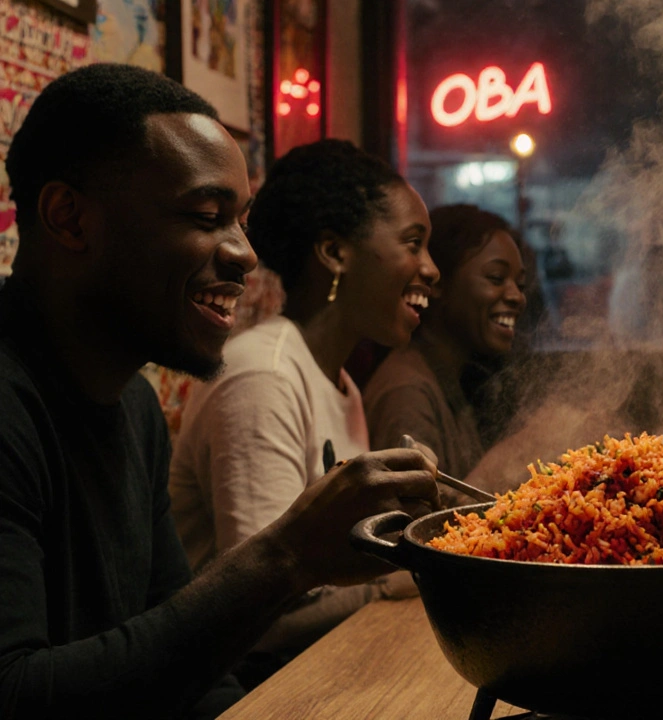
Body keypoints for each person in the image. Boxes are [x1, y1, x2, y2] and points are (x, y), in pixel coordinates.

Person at [0, 64, 439, 717]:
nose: (244, 254)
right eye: (208, 215)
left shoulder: (136, 408)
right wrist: (287, 556)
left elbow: (192, 667)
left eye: (241, 220)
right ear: (69, 218)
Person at [167, 139, 440, 684]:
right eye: (414, 243)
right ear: (334, 253)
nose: (431, 270)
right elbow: (265, 619)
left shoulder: (340, 384)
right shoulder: (263, 374)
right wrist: (403, 569)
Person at [363, 204, 525, 484]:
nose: (516, 297)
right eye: (496, 278)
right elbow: (414, 520)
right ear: (438, 283)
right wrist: (524, 451)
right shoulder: (407, 392)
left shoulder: (446, 376)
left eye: (519, 283)